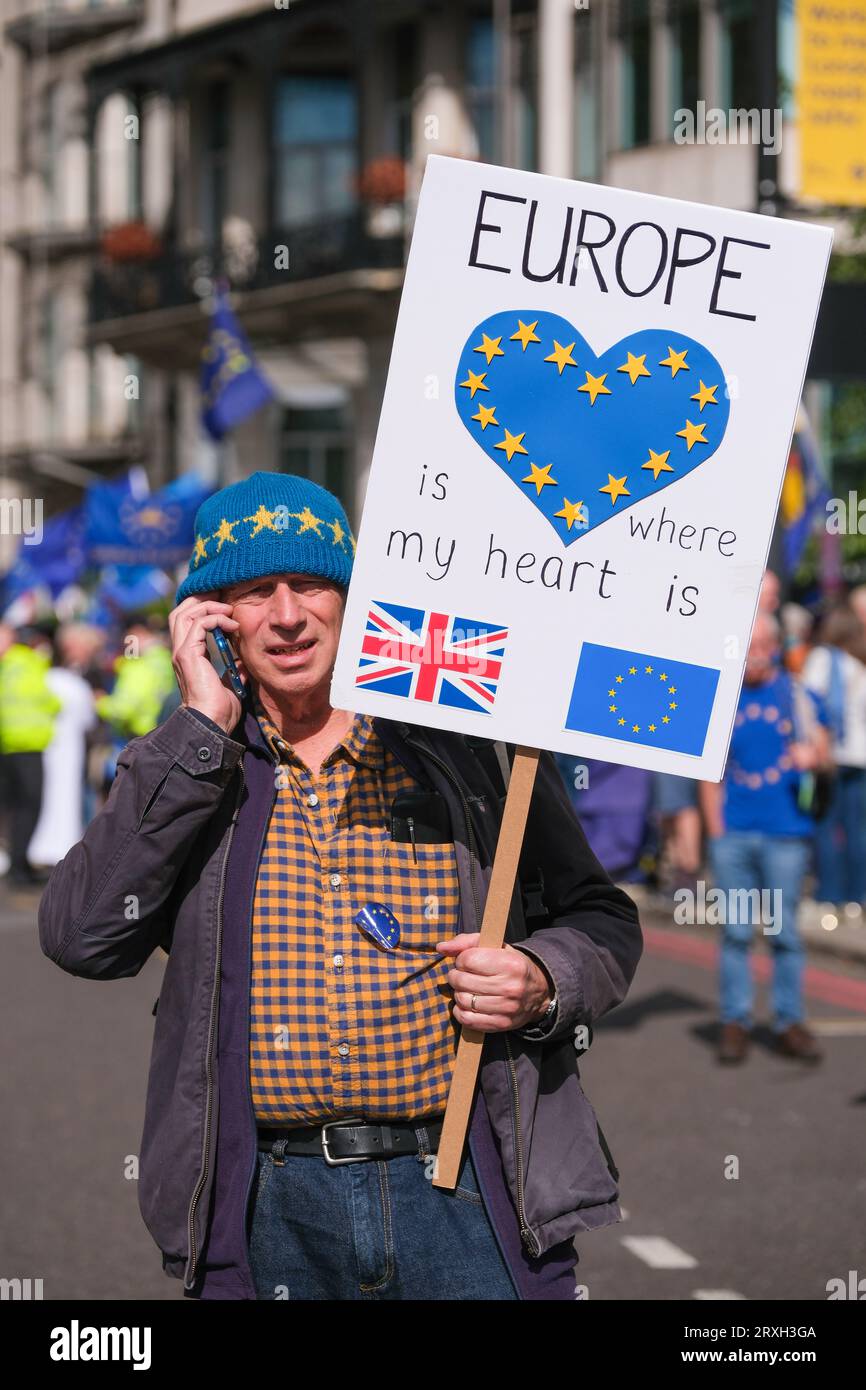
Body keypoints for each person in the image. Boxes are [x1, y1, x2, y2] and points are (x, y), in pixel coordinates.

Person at [38, 472, 643, 1302]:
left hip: (466, 1191)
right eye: (255, 592)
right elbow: (82, 937)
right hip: (268, 1211)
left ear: (354, 598)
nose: (287, 616)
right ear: (211, 622)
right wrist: (199, 729)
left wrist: (542, 981)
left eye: (311, 583)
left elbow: (601, 919)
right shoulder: (186, 766)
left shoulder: (469, 747)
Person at [699, 612, 830, 1066]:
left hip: (785, 835)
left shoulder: (799, 697)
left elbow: (829, 756)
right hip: (734, 835)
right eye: (745, 646)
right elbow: (708, 774)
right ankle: (736, 1021)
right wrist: (717, 833)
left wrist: (815, 756)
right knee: (736, 933)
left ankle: (788, 1021)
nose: (753, 654)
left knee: (783, 933)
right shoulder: (722, 699)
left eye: (760, 645)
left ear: (775, 646)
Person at [802, 601, 866, 909]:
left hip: (832, 755)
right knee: (856, 830)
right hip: (860, 757)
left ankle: (829, 893)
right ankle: (858, 895)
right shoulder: (859, 664)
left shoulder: (821, 659)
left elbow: (808, 700)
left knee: (826, 825)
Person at [27, 626, 97, 867]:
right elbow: (89, 717)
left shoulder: (47, 680)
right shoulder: (74, 683)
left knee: (53, 796)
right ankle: (60, 846)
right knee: (68, 797)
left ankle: (43, 847)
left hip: (50, 745)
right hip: (70, 747)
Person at [0, 623, 61, 887]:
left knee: (11, 806)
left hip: (7, 745)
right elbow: (51, 700)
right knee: (29, 807)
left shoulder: (7, 665)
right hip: (29, 745)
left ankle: (17, 862)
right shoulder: (32, 663)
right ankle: (18, 866)